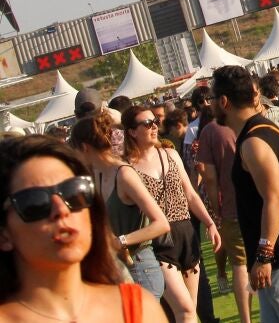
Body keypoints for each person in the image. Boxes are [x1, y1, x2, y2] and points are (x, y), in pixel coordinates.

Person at [0, 135, 168, 323]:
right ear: (4, 234)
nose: (61, 210)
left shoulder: (138, 307)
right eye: (35, 202)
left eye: (74, 192)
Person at [210, 66, 279, 322]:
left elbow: (274, 198)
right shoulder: (261, 131)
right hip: (278, 257)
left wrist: (264, 255)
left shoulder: (254, 141)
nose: (210, 105)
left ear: (224, 101)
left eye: (212, 99)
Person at [122, 105, 221, 323]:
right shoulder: (127, 168)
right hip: (159, 242)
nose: (153, 127)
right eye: (147, 123)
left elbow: (191, 194)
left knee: (189, 310)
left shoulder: (170, 154)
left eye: (155, 122)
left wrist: (210, 223)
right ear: (132, 131)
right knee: (184, 310)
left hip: (186, 233)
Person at [69, 113, 172, 298]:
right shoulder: (99, 174)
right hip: (119, 269)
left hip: (141, 268)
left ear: (84, 148)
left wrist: (120, 241)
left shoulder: (124, 175)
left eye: (74, 150)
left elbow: (161, 224)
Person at [195, 116, 255, 321]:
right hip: (263, 203)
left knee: (240, 265)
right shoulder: (255, 117)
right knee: (269, 258)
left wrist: (216, 209)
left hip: (232, 207)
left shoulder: (210, 130)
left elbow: (209, 177)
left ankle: (246, 319)